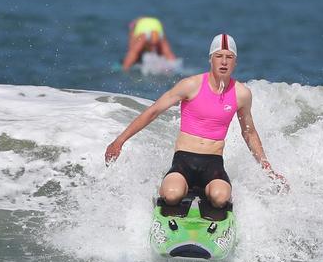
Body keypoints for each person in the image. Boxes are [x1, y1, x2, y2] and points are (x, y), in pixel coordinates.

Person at [105, 33, 288, 208]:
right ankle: (172, 189)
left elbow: (249, 132)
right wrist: (119, 141)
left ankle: (213, 198)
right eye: (219, 56)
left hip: (213, 165)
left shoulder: (241, 94)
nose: (223, 62)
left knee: (221, 198)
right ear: (211, 59)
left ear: (235, 62)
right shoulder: (191, 85)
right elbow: (154, 111)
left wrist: (268, 169)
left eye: (229, 57)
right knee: (172, 195)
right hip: (183, 161)